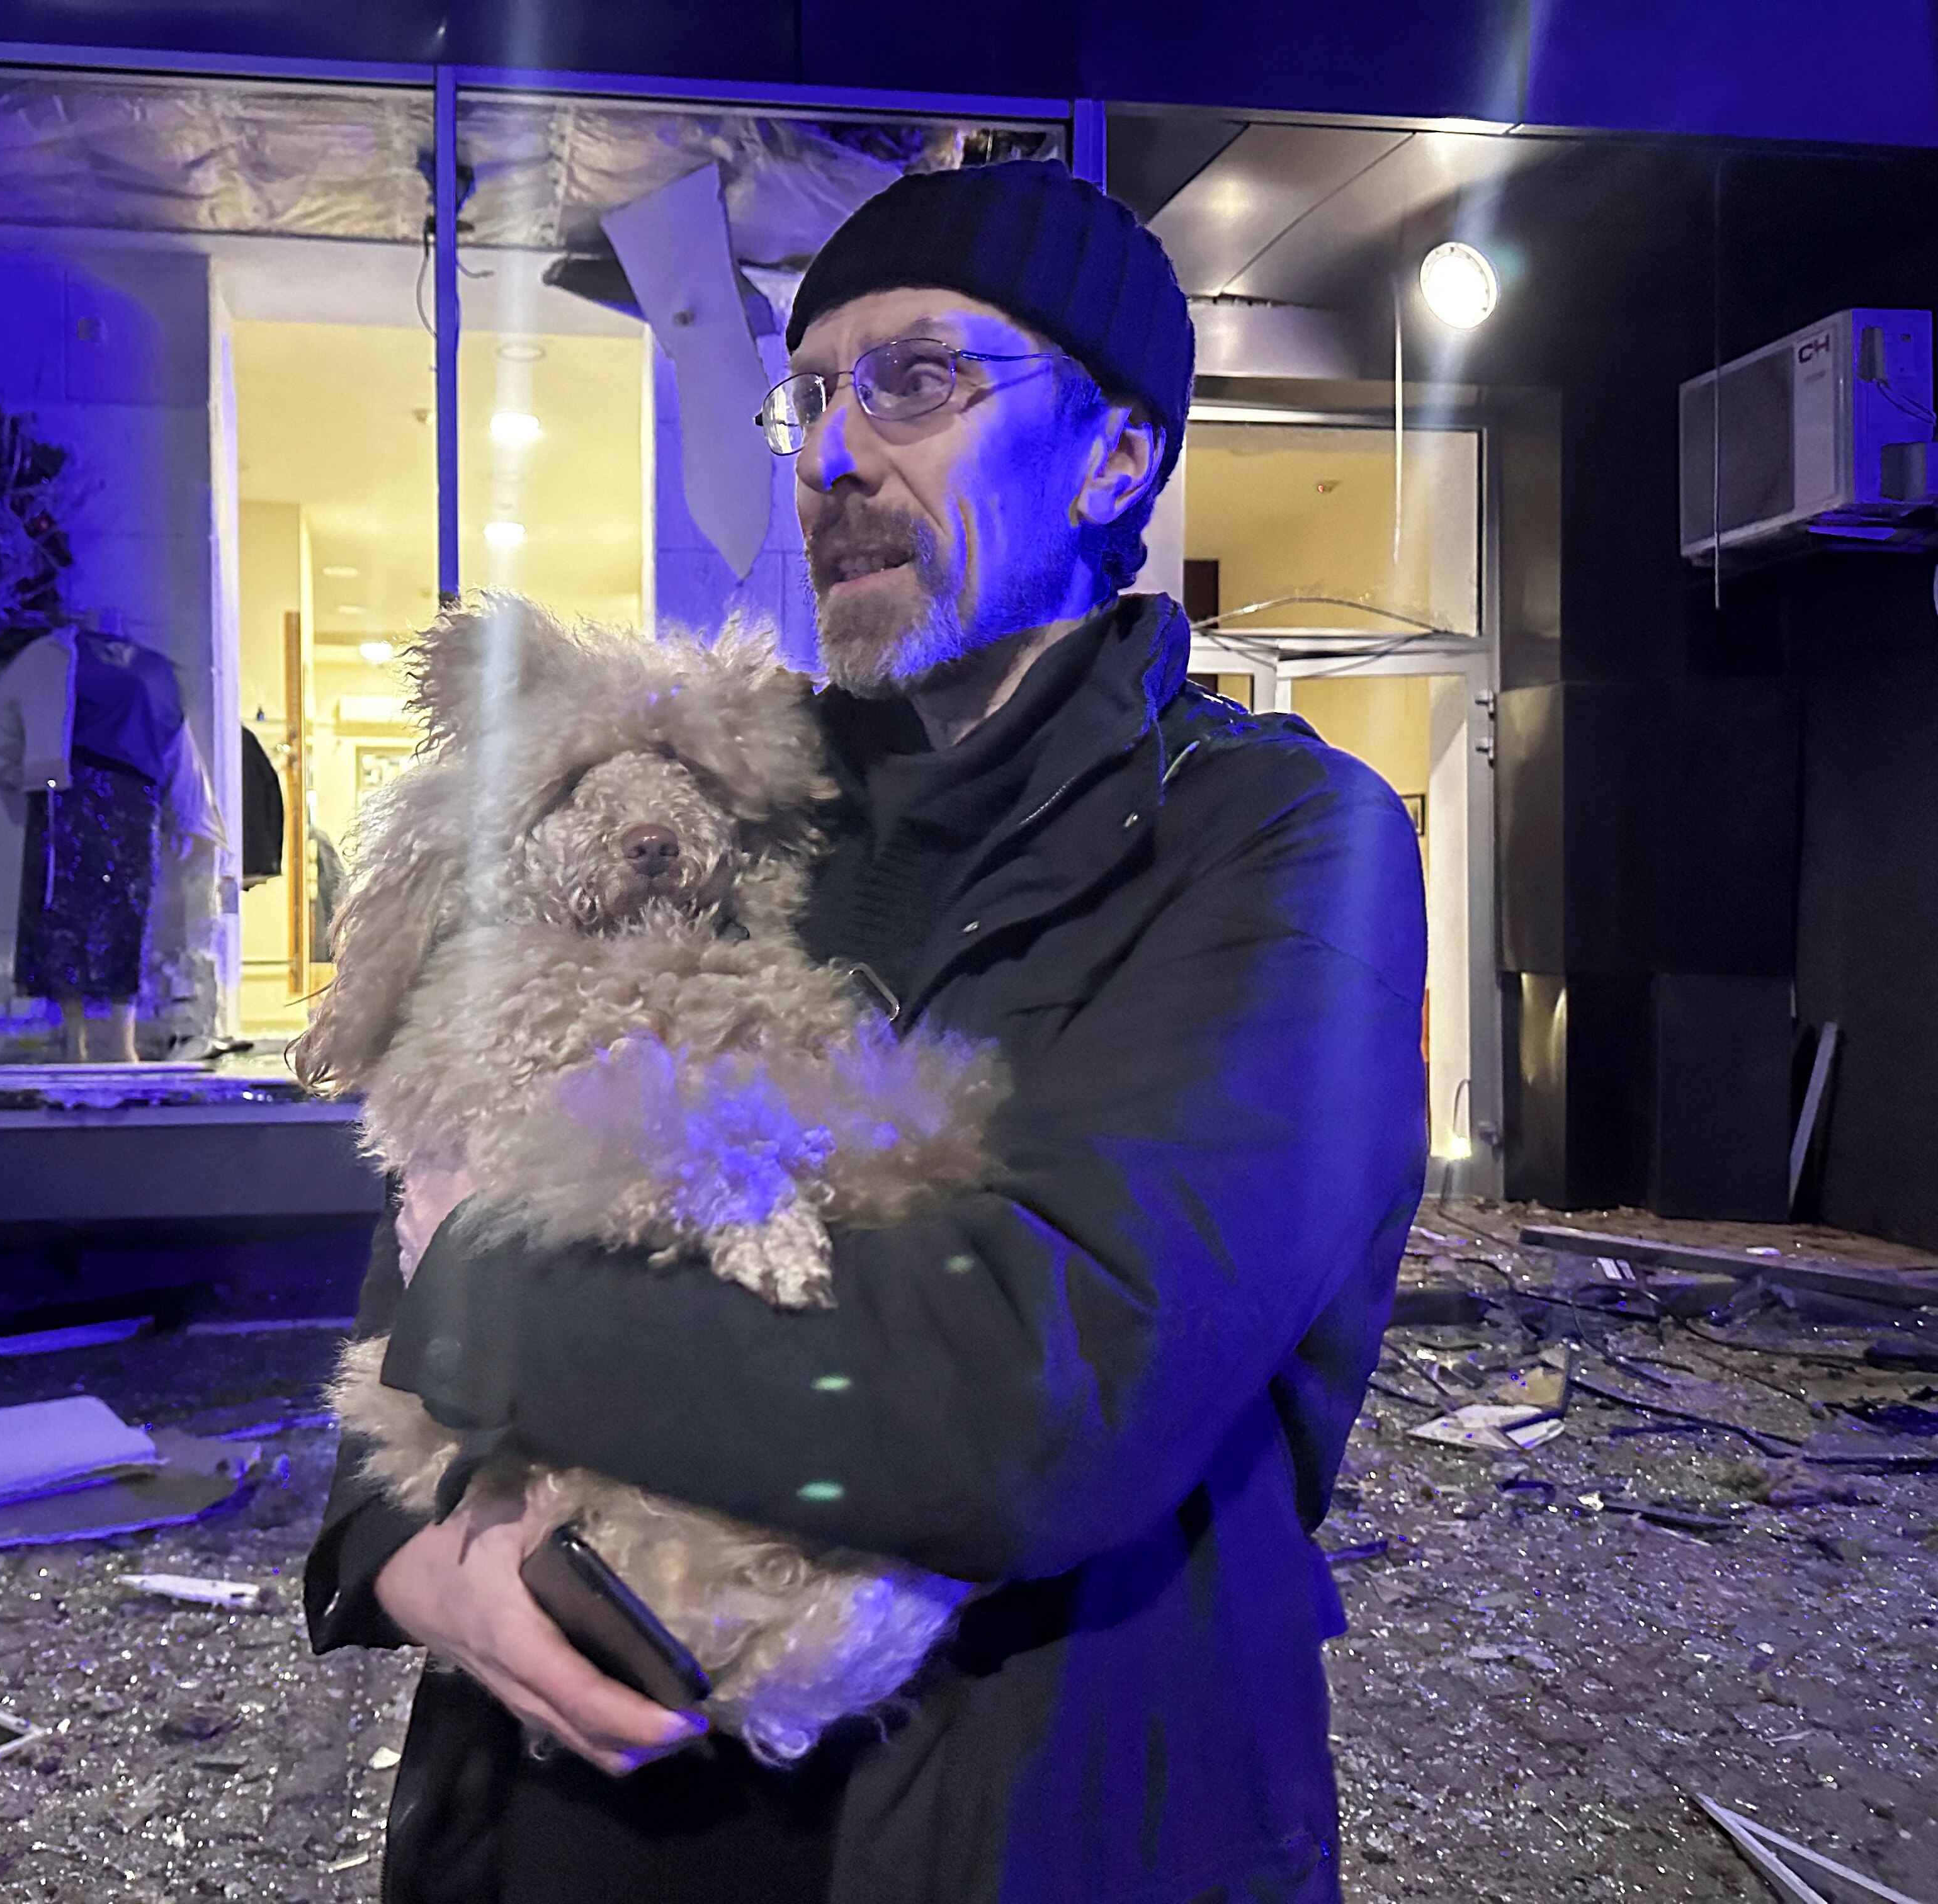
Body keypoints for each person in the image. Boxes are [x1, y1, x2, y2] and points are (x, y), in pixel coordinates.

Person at [305, 160, 1427, 1904]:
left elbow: (1037, 1394)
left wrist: (482, 1309)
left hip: (1030, 1826)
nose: (834, 454)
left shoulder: (1277, 846)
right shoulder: (715, 802)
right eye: (813, 393)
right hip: (584, 1830)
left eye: (918, 380)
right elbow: (448, 1146)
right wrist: (397, 1544)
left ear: (1116, 458)